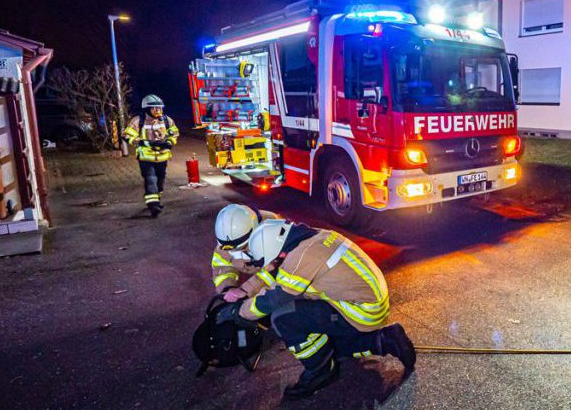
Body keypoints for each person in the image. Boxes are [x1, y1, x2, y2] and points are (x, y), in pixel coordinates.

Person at [218, 220, 416, 400]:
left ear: (278, 252)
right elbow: (278, 275)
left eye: (269, 261)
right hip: (368, 303)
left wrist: (239, 312)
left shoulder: (299, 259)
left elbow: (271, 301)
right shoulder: (310, 238)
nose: (268, 267)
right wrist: (245, 291)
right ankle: (385, 340)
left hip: (361, 312)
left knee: (283, 318)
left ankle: (320, 372)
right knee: (323, 339)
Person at [122, 94, 179, 217]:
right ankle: (153, 205)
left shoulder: (166, 120)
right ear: (147, 109)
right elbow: (127, 135)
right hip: (146, 158)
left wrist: (169, 142)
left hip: (163, 157)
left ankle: (156, 198)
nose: (158, 111)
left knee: (160, 180)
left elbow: (174, 133)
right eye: (155, 108)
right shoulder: (138, 121)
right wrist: (140, 142)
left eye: (160, 108)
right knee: (150, 179)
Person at [211, 204, 281, 293]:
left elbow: (274, 272)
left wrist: (245, 291)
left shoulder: (274, 232)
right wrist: (227, 288)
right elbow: (221, 266)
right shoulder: (226, 238)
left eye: (242, 247)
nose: (234, 252)